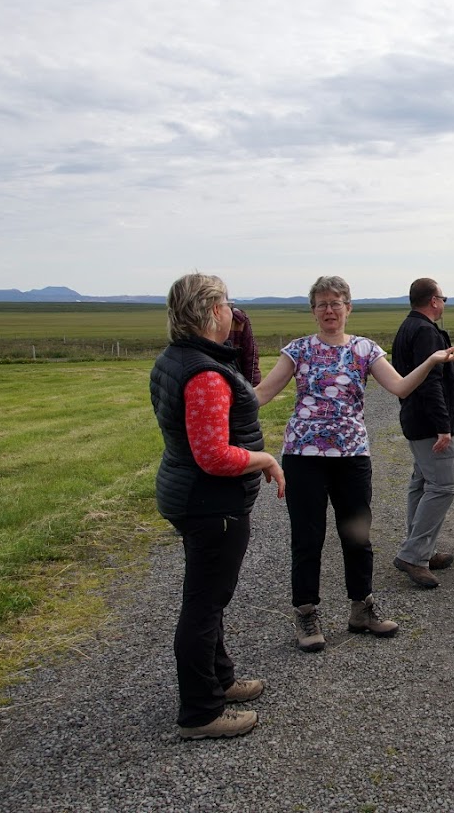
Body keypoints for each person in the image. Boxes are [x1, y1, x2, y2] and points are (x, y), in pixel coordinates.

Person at [256, 276, 454, 650]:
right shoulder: (298, 350)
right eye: (322, 304)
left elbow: (400, 387)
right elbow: (261, 394)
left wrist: (432, 360)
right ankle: (306, 613)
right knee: (308, 537)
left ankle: (362, 609)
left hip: (352, 456)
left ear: (348, 308)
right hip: (304, 457)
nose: (329, 310)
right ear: (313, 311)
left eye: (336, 303)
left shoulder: (365, 350)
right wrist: (220, 388)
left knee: (357, 536)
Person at [149, 273, 285, 740]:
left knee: (210, 596)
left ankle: (220, 681)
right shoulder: (204, 373)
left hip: (192, 496)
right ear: (210, 312)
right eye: (226, 303)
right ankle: (200, 713)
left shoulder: (179, 358)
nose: (233, 311)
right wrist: (266, 458)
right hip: (210, 504)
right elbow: (213, 455)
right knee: (204, 605)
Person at [391, 278, 454, 590]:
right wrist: (443, 425)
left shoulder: (409, 327)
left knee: (421, 484)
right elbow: (430, 381)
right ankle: (414, 554)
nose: (444, 303)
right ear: (434, 300)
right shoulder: (424, 331)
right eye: (443, 298)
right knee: (442, 487)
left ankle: (422, 549)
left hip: (415, 419)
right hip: (428, 424)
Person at [228, 307, 262, 385]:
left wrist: (252, 391)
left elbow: (250, 360)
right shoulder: (194, 319)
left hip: (236, 386)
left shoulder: (238, 319)